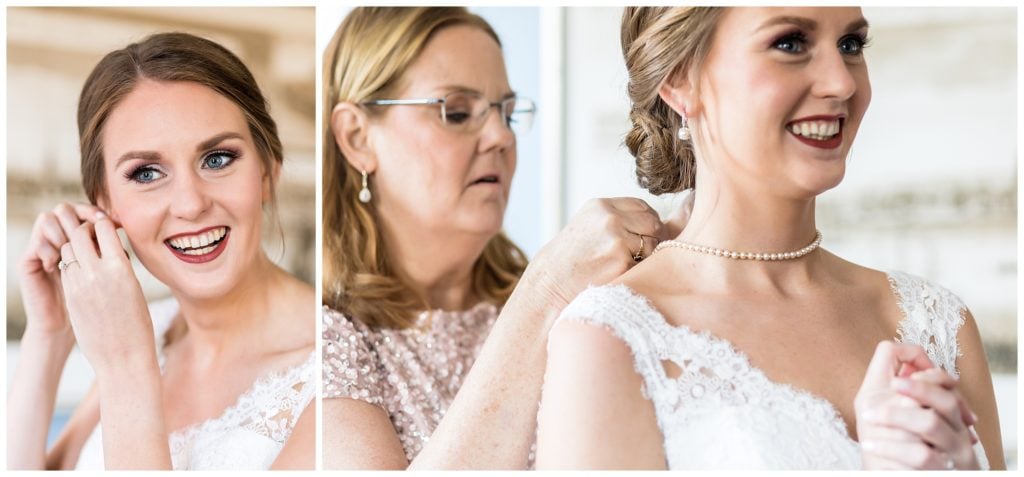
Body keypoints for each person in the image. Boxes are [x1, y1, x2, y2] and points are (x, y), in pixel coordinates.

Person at [535, 7, 1004, 470]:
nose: (841, 82)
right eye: (791, 43)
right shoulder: (609, 340)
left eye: (851, 45)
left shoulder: (937, 322)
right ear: (681, 79)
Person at [321, 7, 687, 469]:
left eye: (507, 112)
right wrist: (545, 289)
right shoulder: (322, 337)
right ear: (357, 137)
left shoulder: (580, 311)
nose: (500, 136)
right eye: (456, 112)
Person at [7, 32, 315, 470]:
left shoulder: (332, 370)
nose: (191, 204)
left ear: (268, 172)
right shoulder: (150, 329)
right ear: (105, 203)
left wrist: (127, 372)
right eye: (147, 172)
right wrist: (50, 335)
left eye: (217, 159)